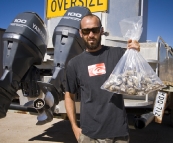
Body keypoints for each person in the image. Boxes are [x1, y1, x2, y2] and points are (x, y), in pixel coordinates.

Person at [64, 13, 140, 143]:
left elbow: (137, 76)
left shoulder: (119, 54)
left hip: (118, 134)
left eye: (95, 30)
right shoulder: (74, 64)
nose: (91, 35)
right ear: (80, 33)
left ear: (101, 30)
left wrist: (136, 52)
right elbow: (69, 96)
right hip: (89, 136)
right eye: (86, 31)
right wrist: (74, 127)